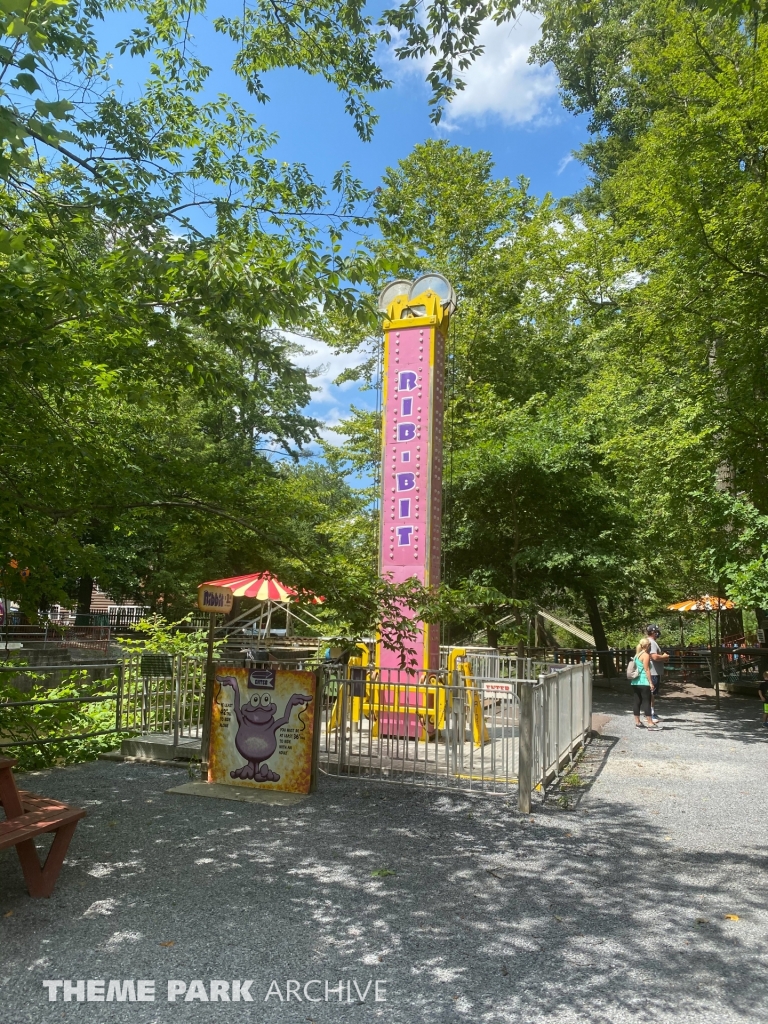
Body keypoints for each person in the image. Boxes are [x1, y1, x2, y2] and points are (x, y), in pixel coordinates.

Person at [631, 637, 657, 729]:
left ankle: (637, 722)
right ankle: (650, 722)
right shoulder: (645, 655)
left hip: (635, 681)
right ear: (648, 645)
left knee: (637, 701)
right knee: (647, 701)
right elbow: (646, 669)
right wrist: (651, 682)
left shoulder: (636, 655)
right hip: (643, 681)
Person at [645, 624, 669, 723]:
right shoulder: (652, 643)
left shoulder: (649, 642)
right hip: (653, 672)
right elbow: (654, 657)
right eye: (656, 631)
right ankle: (650, 715)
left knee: (651, 694)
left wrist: (663, 658)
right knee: (651, 694)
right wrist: (665, 656)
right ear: (653, 632)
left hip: (653, 671)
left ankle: (651, 713)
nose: (658, 633)